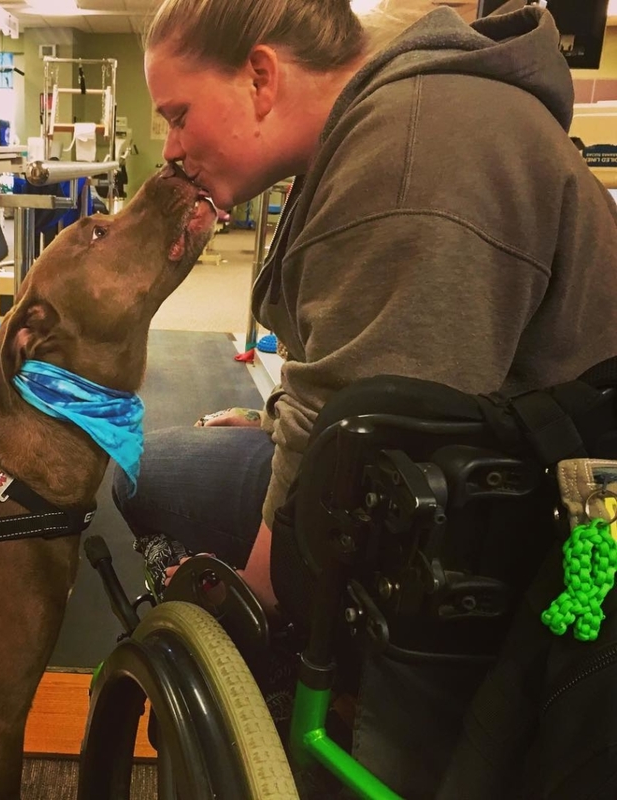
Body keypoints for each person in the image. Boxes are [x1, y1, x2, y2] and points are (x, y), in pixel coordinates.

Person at [112, 0, 617, 795]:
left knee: (146, 474)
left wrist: (248, 611)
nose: (170, 150)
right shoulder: (391, 120)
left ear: (261, 75)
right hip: (480, 475)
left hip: (506, 538)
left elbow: (374, 441)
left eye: (178, 116)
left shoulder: (413, 153)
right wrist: (279, 417)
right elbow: (371, 375)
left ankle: (316, 706)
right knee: (173, 458)